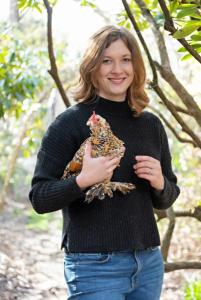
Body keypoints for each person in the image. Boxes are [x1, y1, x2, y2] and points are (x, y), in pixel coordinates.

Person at [29, 25, 180, 300]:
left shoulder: (150, 125)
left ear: (135, 66)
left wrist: (160, 182)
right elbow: (39, 197)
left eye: (125, 59)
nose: (117, 69)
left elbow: (167, 197)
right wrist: (83, 180)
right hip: (94, 266)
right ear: (92, 67)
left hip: (148, 263)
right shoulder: (69, 124)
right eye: (106, 60)